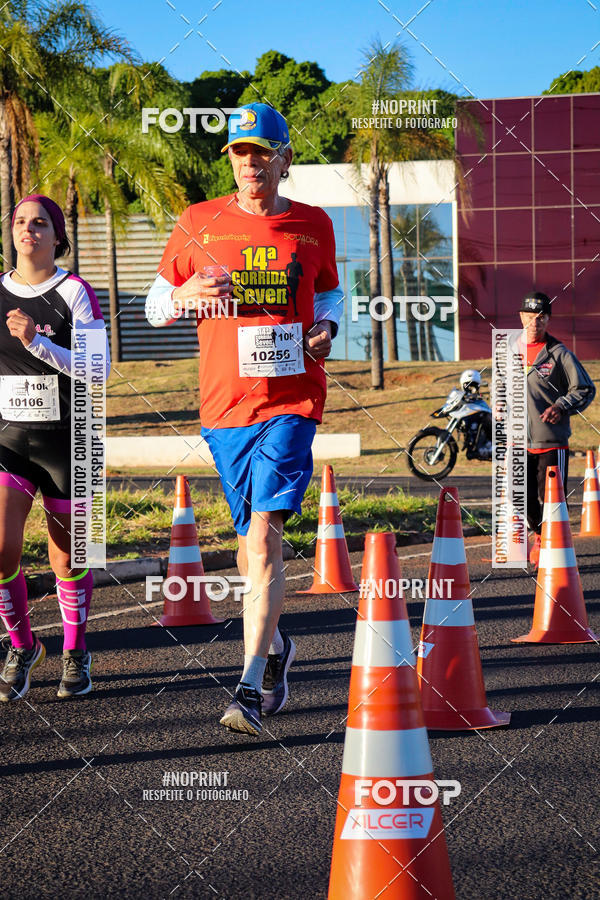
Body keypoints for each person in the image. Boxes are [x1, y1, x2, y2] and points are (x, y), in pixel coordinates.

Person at [145, 102, 343, 735]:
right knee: (246, 549)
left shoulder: (313, 225)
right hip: (224, 404)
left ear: (284, 159)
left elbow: (333, 291)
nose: (251, 161)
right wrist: (181, 296)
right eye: (239, 151)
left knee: (263, 537)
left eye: (262, 150)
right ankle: (279, 647)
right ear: (229, 159)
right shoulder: (198, 222)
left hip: (292, 397)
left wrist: (329, 325)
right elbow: (154, 306)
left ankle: (249, 687)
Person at [0, 194, 110, 701]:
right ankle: (23, 645)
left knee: (69, 558)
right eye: (20, 222)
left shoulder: (75, 292)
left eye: (40, 223)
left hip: (70, 441)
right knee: (1, 553)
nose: (29, 230)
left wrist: (36, 343)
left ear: (56, 235)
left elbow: (99, 369)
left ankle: (75, 648)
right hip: (11, 442)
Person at [519, 292, 595, 566]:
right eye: (529, 317)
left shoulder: (559, 353)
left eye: (540, 318)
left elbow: (584, 388)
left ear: (548, 320)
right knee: (523, 498)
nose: (534, 323)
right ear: (521, 318)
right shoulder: (510, 350)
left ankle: (549, 545)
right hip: (518, 443)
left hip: (551, 441)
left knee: (549, 497)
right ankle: (538, 534)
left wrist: (561, 406)